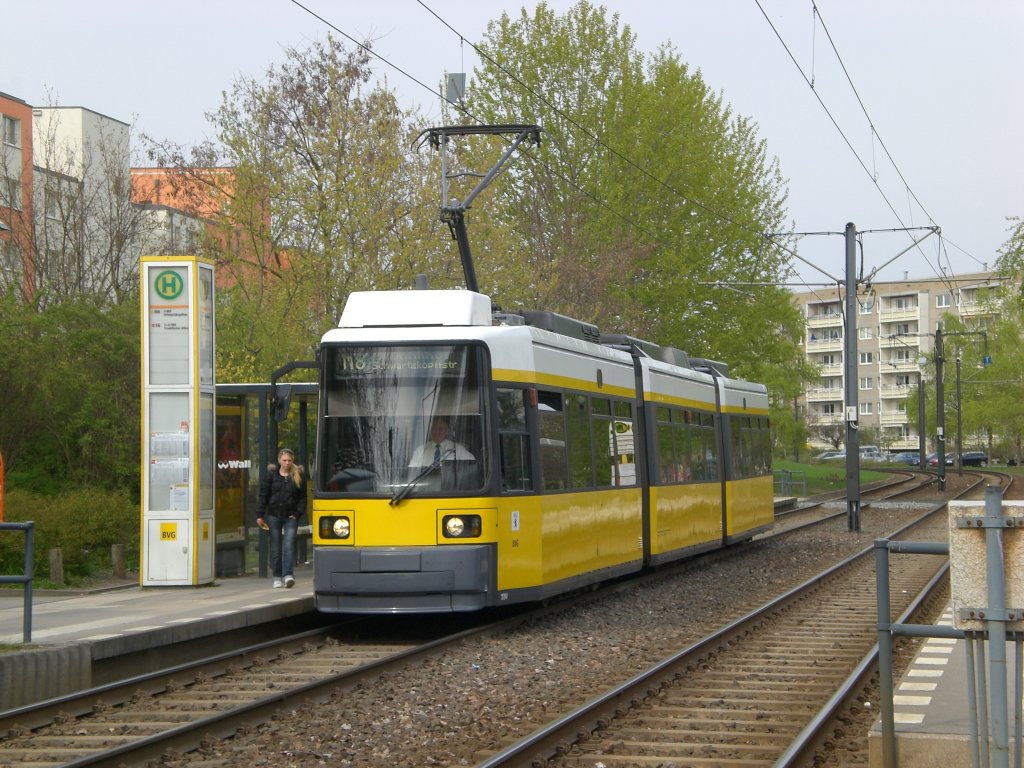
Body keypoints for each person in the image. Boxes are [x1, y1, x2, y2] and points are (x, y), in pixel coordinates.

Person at [256, 448, 306, 588]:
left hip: (291, 516)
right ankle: (277, 576)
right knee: (275, 547)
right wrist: (260, 515)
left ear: (293, 460)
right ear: (279, 460)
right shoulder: (271, 475)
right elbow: (263, 495)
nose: (287, 463)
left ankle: (288, 575)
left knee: (288, 545)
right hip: (274, 516)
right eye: (284, 460)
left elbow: (303, 498)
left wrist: (297, 514)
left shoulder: (298, 475)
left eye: (289, 460)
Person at [408, 416, 474, 466]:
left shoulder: (457, 449)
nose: (437, 431)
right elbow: (412, 471)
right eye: (434, 428)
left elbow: (473, 464)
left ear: (447, 431)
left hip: (451, 483)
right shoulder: (420, 450)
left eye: (440, 429)